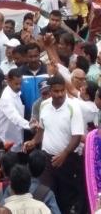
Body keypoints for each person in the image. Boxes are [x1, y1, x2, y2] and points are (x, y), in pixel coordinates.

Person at [24, 75, 85, 214]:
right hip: (47, 161)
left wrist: (64, 154)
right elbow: (42, 130)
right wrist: (33, 142)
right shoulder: (44, 105)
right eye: (56, 91)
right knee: (48, 196)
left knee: (66, 199)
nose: (60, 94)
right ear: (50, 91)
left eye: (62, 91)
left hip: (68, 161)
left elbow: (76, 137)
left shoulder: (73, 107)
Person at [0, 68, 32, 152]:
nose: (19, 87)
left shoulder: (17, 93)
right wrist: (30, 125)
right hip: (6, 141)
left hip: (16, 139)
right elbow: (14, 117)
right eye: (16, 84)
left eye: (20, 84)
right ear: (9, 81)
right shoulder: (6, 98)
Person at [19, 43, 48, 123]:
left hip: (46, 118)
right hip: (26, 119)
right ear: (25, 56)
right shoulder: (20, 73)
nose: (33, 59)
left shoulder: (48, 70)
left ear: (40, 55)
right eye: (30, 57)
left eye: (36, 56)